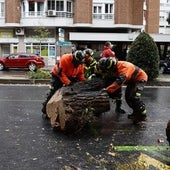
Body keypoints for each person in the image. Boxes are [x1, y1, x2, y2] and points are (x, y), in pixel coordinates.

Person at [97, 57, 148, 124]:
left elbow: (119, 82)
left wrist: (107, 90)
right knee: (128, 98)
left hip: (140, 80)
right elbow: (112, 80)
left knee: (134, 97)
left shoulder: (124, 67)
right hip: (132, 81)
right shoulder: (115, 68)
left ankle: (142, 116)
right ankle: (136, 113)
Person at [42, 50, 86, 118]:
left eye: (79, 63)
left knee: (75, 90)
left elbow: (81, 74)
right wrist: (68, 83)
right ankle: (45, 109)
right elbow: (61, 74)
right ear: (73, 58)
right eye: (77, 62)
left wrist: (83, 82)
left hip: (70, 75)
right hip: (58, 75)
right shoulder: (65, 59)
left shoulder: (81, 64)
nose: (78, 64)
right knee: (54, 91)